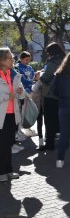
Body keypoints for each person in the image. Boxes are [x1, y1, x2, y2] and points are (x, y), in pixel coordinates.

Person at [0, 47, 26, 182]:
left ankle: (8, 170)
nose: (13, 60)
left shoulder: (14, 74)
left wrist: (21, 92)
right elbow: (4, 95)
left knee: (9, 143)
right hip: (1, 116)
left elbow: (20, 94)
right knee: (2, 145)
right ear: (2, 60)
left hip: (12, 114)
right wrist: (6, 96)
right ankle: (1, 172)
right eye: (10, 58)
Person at [38, 43, 66, 152]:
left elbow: (45, 78)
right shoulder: (65, 61)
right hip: (63, 95)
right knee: (60, 120)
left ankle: (49, 144)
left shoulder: (53, 62)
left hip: (50, 94)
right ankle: (64, 143)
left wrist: (40, 75)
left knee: (49, 120)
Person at [15, 51, 36, 141]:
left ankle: (23, 129)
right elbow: (21, 80)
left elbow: (32, 78)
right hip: (21, 92)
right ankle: (18, 132)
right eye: (26, 60)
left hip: (29, 92)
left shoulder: (30, 68)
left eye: (29, 60)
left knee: (25, 112)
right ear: (21, 59)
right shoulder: (17, 67)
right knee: (19, 112)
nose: (28, 62)